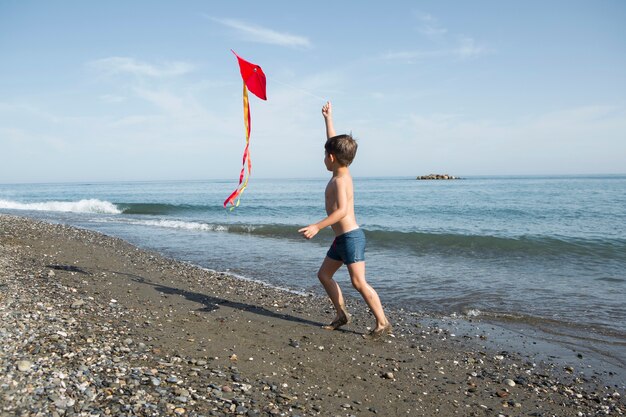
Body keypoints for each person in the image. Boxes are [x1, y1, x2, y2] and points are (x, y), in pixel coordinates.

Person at [298, 101, 392, 338]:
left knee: (358, 282)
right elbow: (333, 143)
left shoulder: (341, 180)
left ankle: (382, 322)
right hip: (341, 239)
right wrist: (328, 119)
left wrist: (317, 226)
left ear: (331, 157)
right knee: (324, 275)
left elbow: (341, 211)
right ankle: (341, 314)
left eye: (325, 154)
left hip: (351, 238)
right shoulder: (338, 170)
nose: (324, 158)